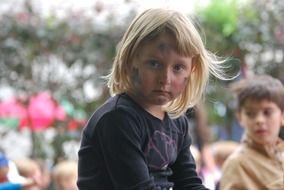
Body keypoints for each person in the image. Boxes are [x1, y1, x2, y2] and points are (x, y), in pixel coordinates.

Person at [77, 8, 229, 190]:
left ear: (192, 70)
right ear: (130, 61)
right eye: (154, 64)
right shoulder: (118, 119)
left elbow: (188, 183)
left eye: (178, 67)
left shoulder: (176, 120)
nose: (165, 78)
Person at [219, 75, 284, 190]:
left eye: (267, 112)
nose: (259, 120)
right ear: (240, 118)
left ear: (282, 116)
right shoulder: (237, 164)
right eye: (250, 113)